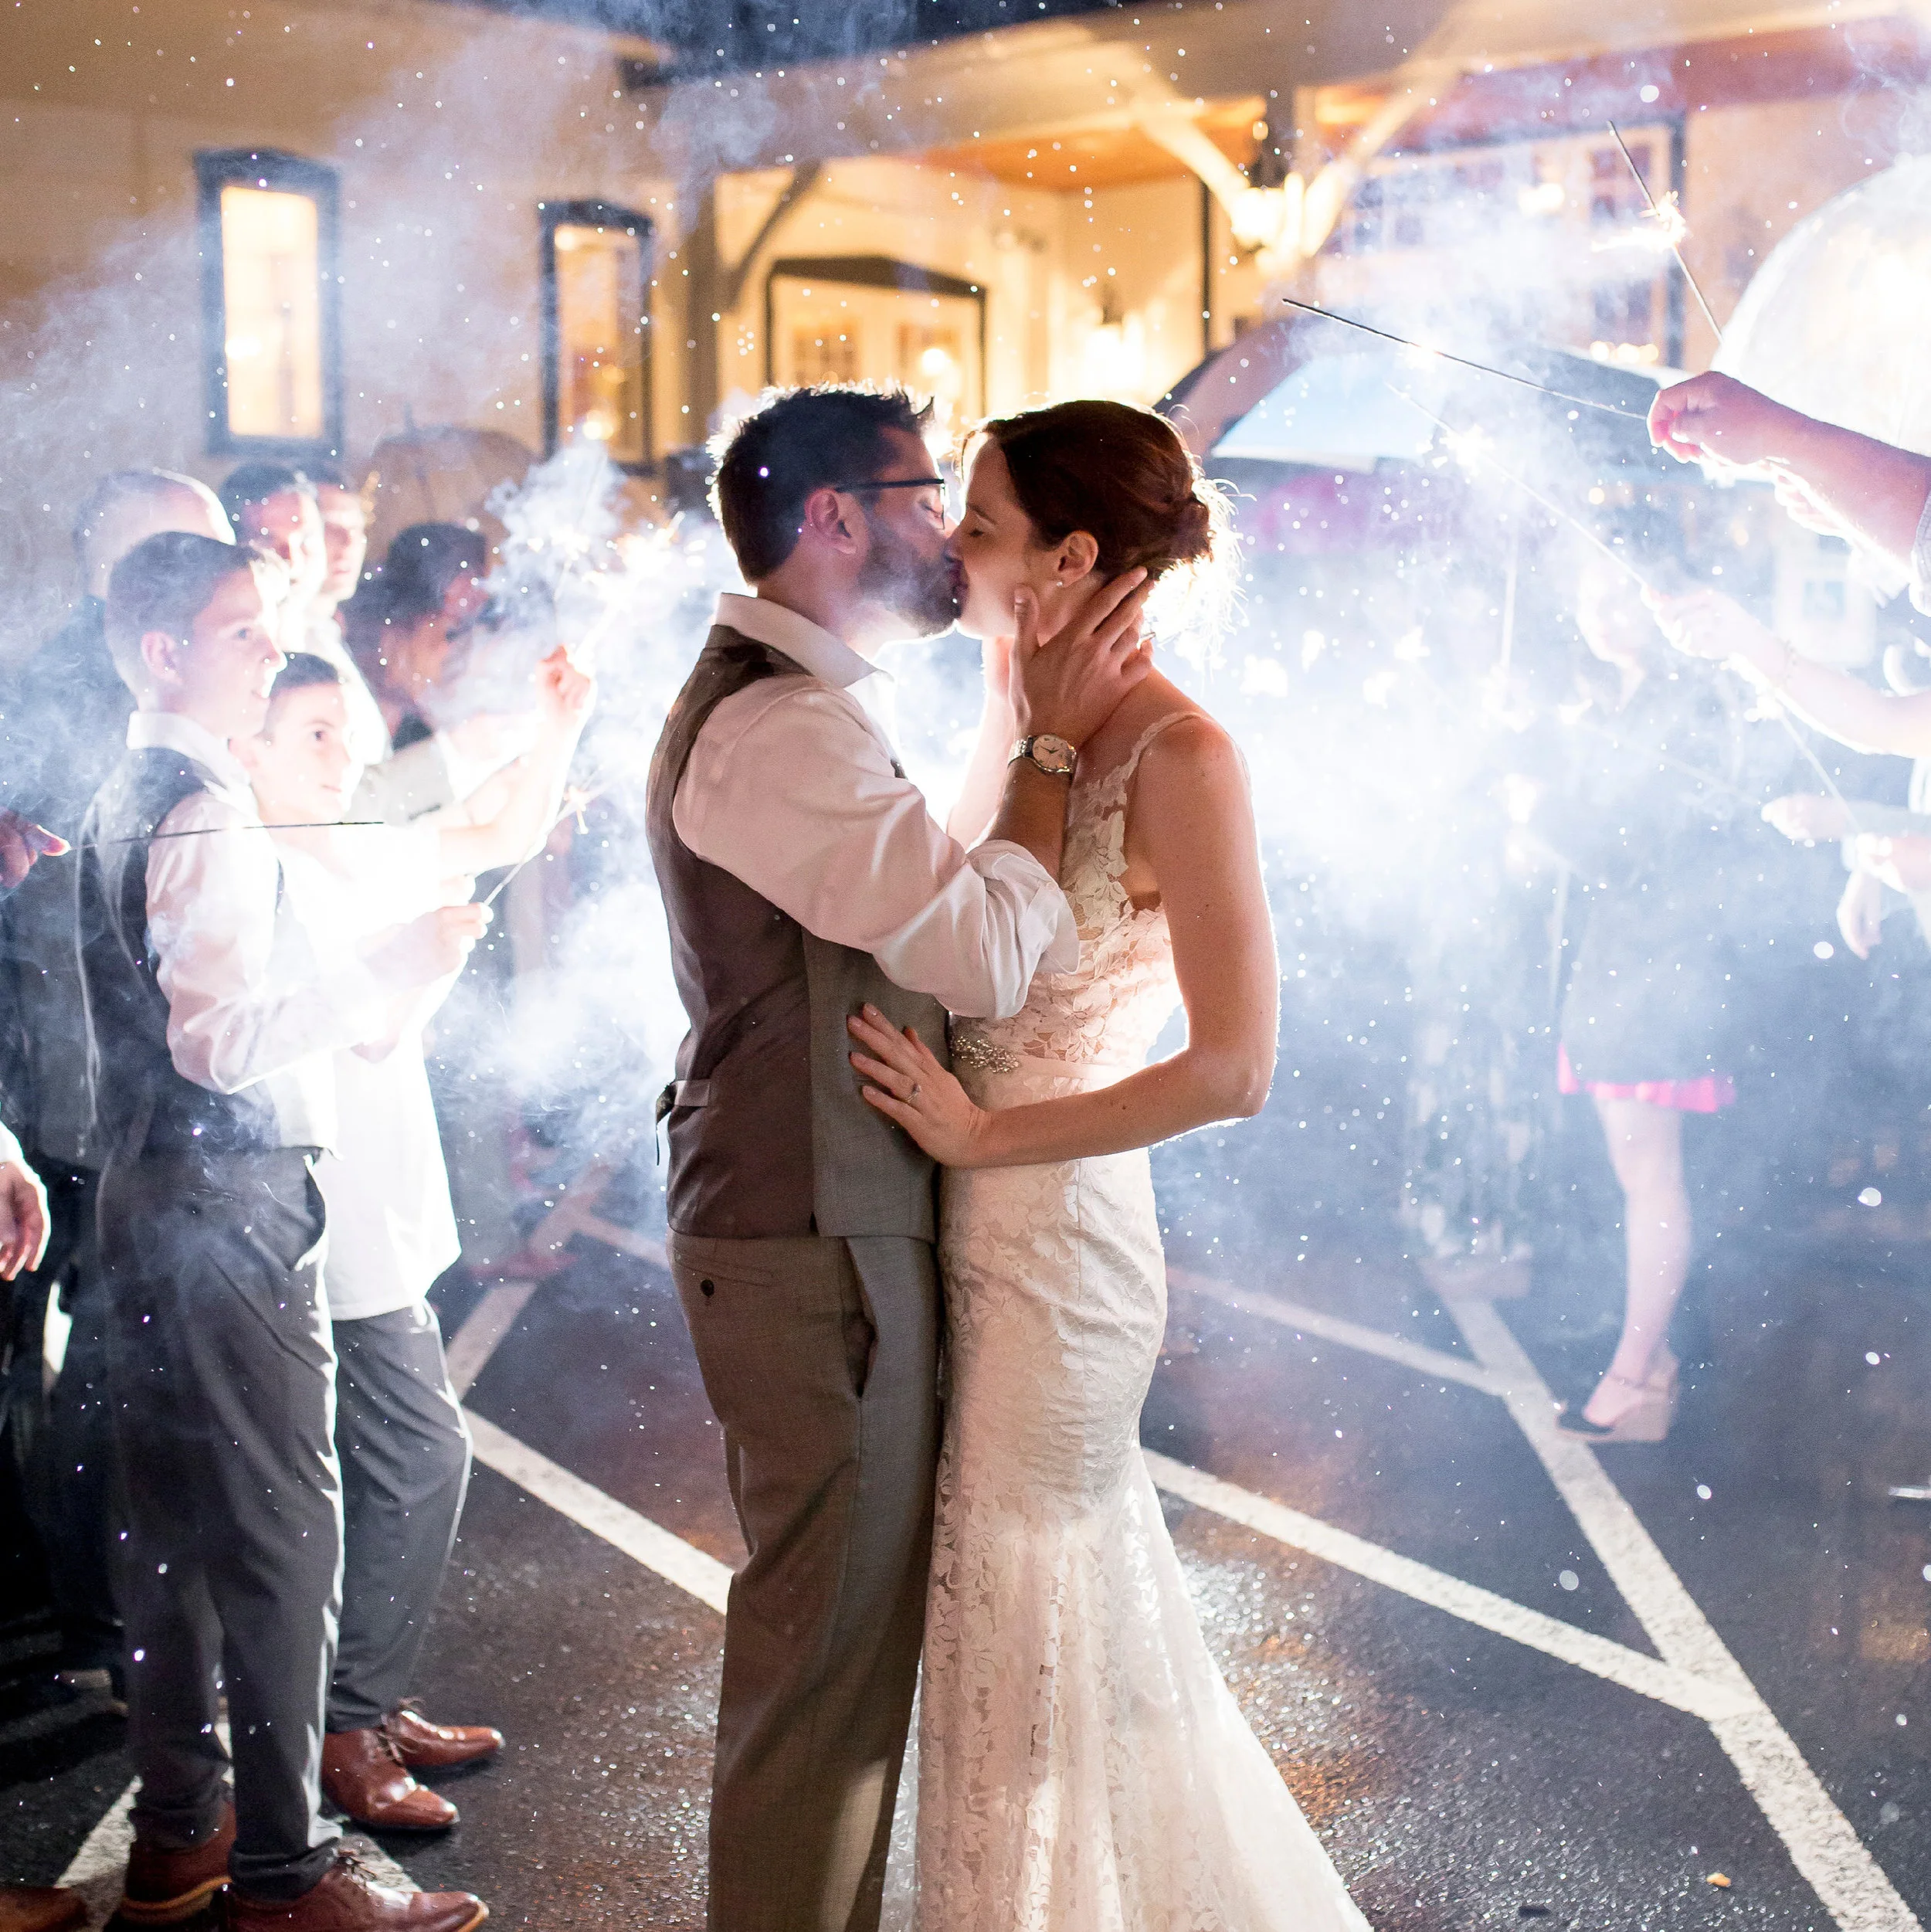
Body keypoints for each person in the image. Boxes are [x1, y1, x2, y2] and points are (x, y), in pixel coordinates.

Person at [843, 399, 1363, 1931]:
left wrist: (983, 1133)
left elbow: (1234, 1067)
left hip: (1056, 1243)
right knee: (1007, 1631)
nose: (950, 545)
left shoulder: (1186, 753)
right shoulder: (1013, 707)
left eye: (981, 524)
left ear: (1070, 559)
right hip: (953, 1213)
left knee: (1023, 1623)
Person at [646, 382, 1152, 1932]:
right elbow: (988, 954)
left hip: (826, 1219)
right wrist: (1049, 743)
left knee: (840, 1667)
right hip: (815, 1236)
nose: (947, 532)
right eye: (926, 497)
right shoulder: (778, 724)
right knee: (825, 1683)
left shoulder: (803, 705)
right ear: (832, 518)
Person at [80, 530, 488, 1932]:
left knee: (171, 1536)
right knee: (280, 1536)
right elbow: (220, 1044)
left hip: (145, 1200)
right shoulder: (201, 805)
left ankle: (182, 1833)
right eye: (242, 631)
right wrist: (392, 963)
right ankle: (286, 1873)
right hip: (228, 1198)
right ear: (164, 652)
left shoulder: (128, 783)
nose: (271, 649)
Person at [232, 643, 592, 1835]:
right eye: (313, 734)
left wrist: (557, 725)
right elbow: (373, 1031)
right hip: (329, 1216)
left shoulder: (361, 843)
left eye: (347, 727)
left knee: (381, 1468)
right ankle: (347, 1722)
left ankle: (364, 1702)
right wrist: (437, 965)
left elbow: (500, 825)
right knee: (418, 1460)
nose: (344, 752)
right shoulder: (264, 877)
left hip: (389, 1202)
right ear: (247, 749)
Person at [0, 470, 231, 1699]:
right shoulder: (67, 694)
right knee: (98, 1347)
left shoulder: (146, 683)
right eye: (183, 555)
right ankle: (97, 1613)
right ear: (115, 582)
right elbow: (52, 919)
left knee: (113, 1343)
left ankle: (110, 1608)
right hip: (79, 1084)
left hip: (112, 1079)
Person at [1514, 562, 1752, 1444]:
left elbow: (1645, 856)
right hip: (1623, 970)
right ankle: (1647, 1346)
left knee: (1650, 1172)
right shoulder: (1615, 705)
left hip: (1660, 973)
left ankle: (1640, 1366)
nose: (1603, 614)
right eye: (1590, 595)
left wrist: (1545, 814)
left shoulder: (1689, 708)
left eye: (1623, 594)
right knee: (1634, 1171)